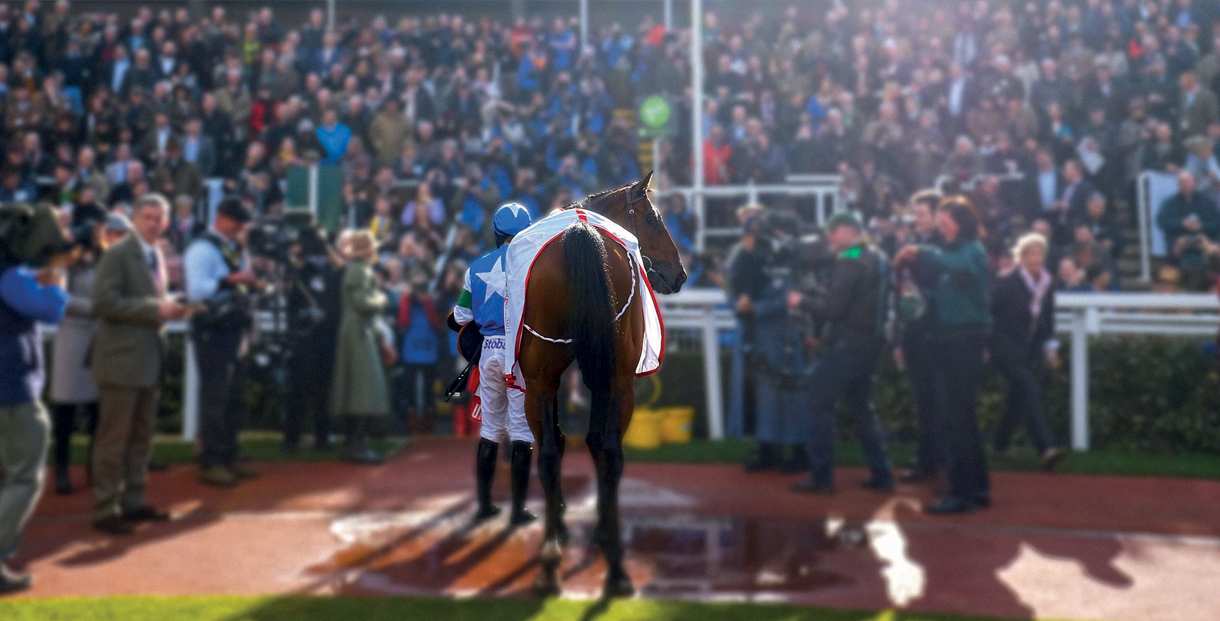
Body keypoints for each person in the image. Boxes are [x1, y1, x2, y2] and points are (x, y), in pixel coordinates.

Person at [89, 194, 184, 535]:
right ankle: (105, 508)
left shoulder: (156, 253)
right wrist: (155, 309)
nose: (154, 223)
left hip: (148, 358)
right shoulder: (116, 254)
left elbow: (145, 302)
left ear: (167, 222)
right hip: (120, 361)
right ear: (134, 219)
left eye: (160, 217)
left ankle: (132, 501)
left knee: (142, 437)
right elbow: (103, 303)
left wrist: (170, 305)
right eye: (147, 217)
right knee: (114, 439)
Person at [894, 197, 992, 515]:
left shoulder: (970, 250)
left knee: (957, 418)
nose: (942, 223)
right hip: (954, 339)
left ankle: (961, 492)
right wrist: (918, 296)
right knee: (963, 417)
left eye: (947, 219)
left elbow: (960, 268)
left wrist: (922, 252)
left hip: (964, 340)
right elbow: (949, 292)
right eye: (941, 219)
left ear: (962, 222)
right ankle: (977, 488)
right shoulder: (955, 251)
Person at [789, 211, 894, 494]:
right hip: (872, 346)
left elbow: (834, 309)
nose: (830, 239)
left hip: (849, 346)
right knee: (861, 409)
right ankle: (882, 473)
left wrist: (802, 301)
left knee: (819, 402)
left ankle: (821, 477)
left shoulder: (850, 260)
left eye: (833, 233)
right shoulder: (876, 256)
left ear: (849, 231)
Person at [451, 203, 536, 526]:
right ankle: (518, 510)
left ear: (497, 233)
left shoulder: (476, 266)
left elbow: (461, 316)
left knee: (490, 429)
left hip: (489, 350)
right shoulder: (533, 266)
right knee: (521, 431)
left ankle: (485, 504)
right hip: (519, 353)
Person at [0, 204, 69, 593]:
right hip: (12, 392)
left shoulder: (11, 274)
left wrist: (39, 275)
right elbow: (49, 310)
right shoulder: (8, 274)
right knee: (25, 478)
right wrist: (57, 273)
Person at [185, 198, 260, 486]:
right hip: (212, 330)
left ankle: (229, 453)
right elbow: (196, 290)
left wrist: (247, 279)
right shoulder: (202, 248)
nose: (240, 228)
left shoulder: (233, 247)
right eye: (236, 222)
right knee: (216, 395)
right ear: (221, 218)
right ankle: (211, 459)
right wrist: (233, 279)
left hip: (234, 328)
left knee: (235, 396)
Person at [48, 214, 122, 495]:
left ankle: (95, 468)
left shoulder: (107, 259)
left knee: (97, 413)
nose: (102, 233)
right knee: (65, 413)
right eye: (99, 228)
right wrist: (99, 307)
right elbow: (60, 297)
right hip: (72, 339)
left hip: (100, 340)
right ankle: (62, 471)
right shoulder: (63, 260)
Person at [990, 233, 1068, 470]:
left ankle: (1000, 444)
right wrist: (985, 347)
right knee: (1030, 389)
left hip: (1028, 349)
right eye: (1032, 253)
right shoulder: (1006, 283)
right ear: (1021, 256)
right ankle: (1045, 448)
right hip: (1004, 348)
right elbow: (989, 314)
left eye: (1040, 253)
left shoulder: (1047, 282)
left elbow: (1047, 319)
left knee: (1017, 396)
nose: (1037, 258)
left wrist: (1051, 347)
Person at [895, 190, 946, 482]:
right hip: (915, 331)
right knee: (923, 399)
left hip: (939, 333)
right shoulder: (908, 244)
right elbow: (871, 255)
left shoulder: (946, 246)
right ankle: (927, 459)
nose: (917, 220)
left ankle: (943, 462)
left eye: (922, 214)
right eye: (915, 214)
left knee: (939, 400)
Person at [329, 230, 392, 464]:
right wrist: (381, 299)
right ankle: (355, 445)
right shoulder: (358, 270)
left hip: (359, 332)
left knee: (361, 390)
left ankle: (355, 443)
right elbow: (362, 303)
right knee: (364, 390)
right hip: (357, 335)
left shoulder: (357, 269)